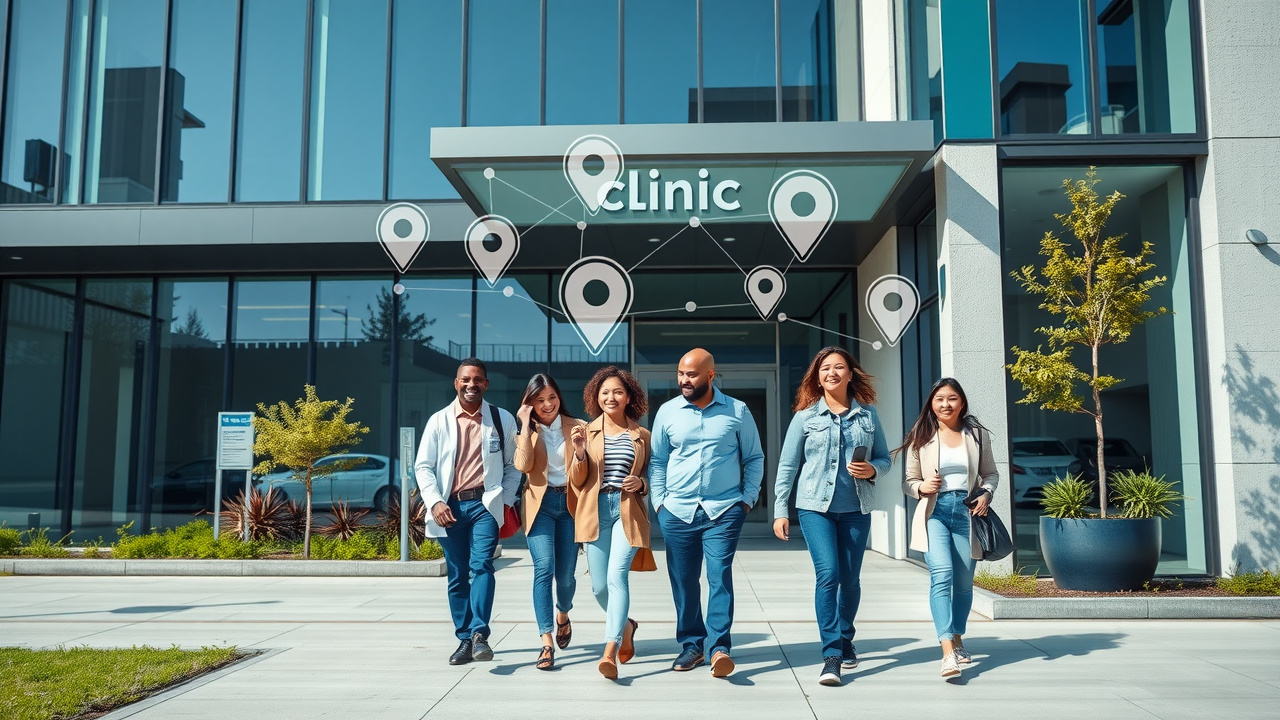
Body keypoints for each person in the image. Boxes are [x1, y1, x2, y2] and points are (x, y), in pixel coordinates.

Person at [772, 346, 891, 687]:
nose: (832, 373)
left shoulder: (868, 417)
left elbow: (884, 458)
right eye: (825, 368)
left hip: (856, 509)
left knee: (850, 580)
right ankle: (831, 655)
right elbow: (787, 466)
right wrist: (781, 510)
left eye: (839, 367)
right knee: (828, 575)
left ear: (851, 374)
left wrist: (872, 470)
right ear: (817, 376)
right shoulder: (805, 417)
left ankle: (845, 635)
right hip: (814, 508)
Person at [650, 348, 764, 678]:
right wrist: (659, 502)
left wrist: (746, 501)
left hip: (723, 510)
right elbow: (657, 461)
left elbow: (754, 458)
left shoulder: (737, 411)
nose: (685, 380)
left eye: (692, 375)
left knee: (719, 578)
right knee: (684, 582)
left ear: (711, 375)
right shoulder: (667, 412)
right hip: (677, 511)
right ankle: (692, 644)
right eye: (681, 374)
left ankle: (719, 649)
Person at [415, 358, 520, 666]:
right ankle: (465, 639)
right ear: (456, 383)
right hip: (448, 507)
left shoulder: (502, 419)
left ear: (486, 384)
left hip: (485, 504)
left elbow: (514, 467)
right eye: (465, 379)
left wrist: (506, 499)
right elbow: (423, 466)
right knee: (459, 574)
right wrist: (434, 501)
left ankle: (479, 635)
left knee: (482, 566)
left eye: (477, 379)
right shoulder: (439, 421)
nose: (471, 384)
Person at [899, 377, 998, 679]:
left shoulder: (977, 434)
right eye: (939, 398)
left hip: (967, 514)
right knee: (941, 576)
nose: (945, 404)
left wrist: (986, 493)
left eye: (952, 398)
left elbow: (990, 473)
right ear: (932, 403)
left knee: (964, 585)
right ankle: (946, 653)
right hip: (935, 512)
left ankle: (957, 636)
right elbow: (908, 481)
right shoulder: (920, 435)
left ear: (962, 402)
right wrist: (921, 487)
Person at [567, 366, 652, 680]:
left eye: (617, 391)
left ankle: (610, 651)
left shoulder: (641, 435)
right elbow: (577, 481)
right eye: (604, 392)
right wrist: (578, 454)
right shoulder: (585, 431)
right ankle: (627, 625)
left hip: (627, 510)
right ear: (595, 397)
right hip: (595, 510)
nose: (611, 397)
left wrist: (641, 484)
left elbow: (653, 476)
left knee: (617, 577)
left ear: (628, 396)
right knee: (599, 586)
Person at [514, 373, 584, 671]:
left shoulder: (578, 427)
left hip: (569, 504)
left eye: (552, 397)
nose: (547, 404)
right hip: (539, 506)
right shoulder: (526, 431)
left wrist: (580, 452)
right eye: (539, 400)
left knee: (566, 576)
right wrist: (525, 427)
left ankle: (563, 614)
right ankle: (546, 641)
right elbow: (522, 465)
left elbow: (585, 476)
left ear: (559, 397)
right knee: (543, 568)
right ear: (530, 403)